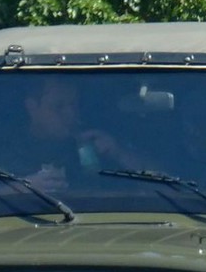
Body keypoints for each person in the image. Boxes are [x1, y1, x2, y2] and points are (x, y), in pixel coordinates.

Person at [9, 77, 141, 190]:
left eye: (74, 105)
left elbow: (158, 184)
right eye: (58, 106)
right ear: (32, 107)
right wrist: (22, 189)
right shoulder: (5, 147)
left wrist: (119, 154)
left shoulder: (92, 144)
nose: (70, 114)